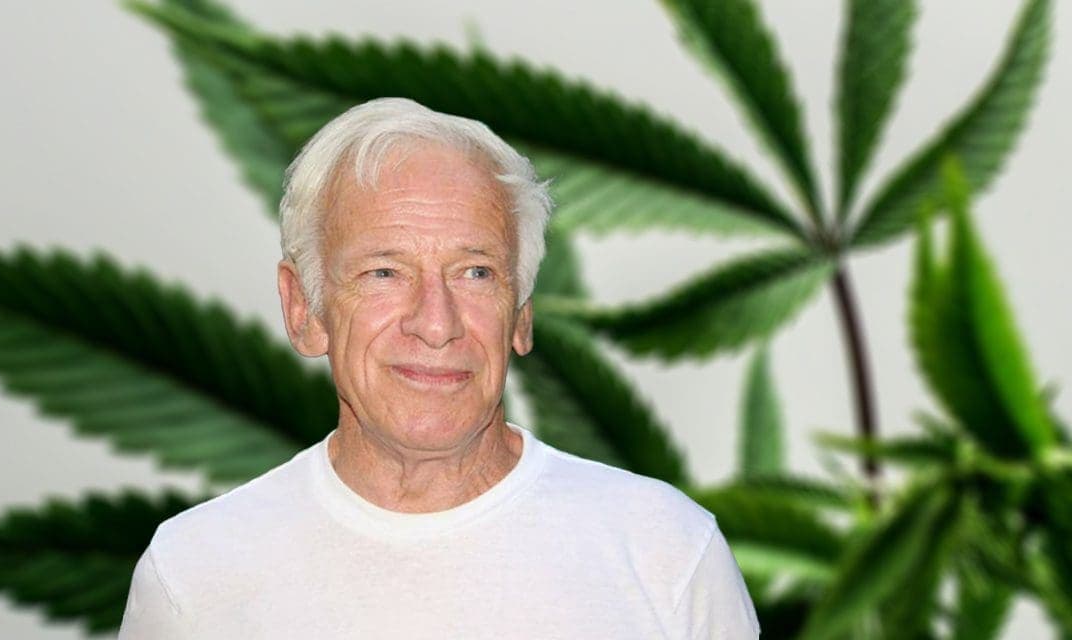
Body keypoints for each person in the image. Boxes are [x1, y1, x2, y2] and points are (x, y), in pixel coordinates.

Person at [117, 97, 760, 639]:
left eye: (475, 272)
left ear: (521, 314)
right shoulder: (195, 575)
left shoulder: (666, 552)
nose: (436, 322)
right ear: (304, 309)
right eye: (384, 273)